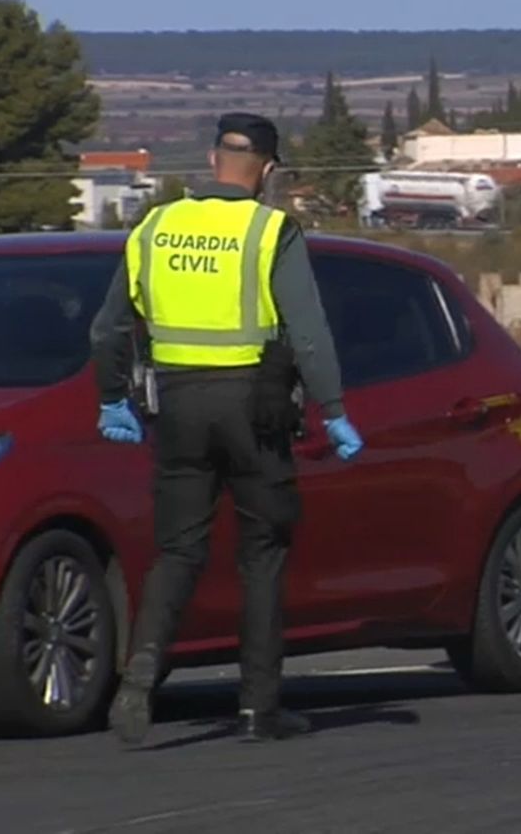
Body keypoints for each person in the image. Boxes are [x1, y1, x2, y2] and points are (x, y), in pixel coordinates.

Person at [90, 112, 364, 743]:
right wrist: (336, 410)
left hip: (177, 408)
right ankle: (257, 708)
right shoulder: (271, 231)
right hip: (254, 408)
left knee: (177, 551)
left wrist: (112, 400)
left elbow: (107, 330)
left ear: (213, 161)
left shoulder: (155, 226)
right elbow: (310, 333)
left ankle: (138, 683)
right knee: (263, 553)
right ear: (267, 171)